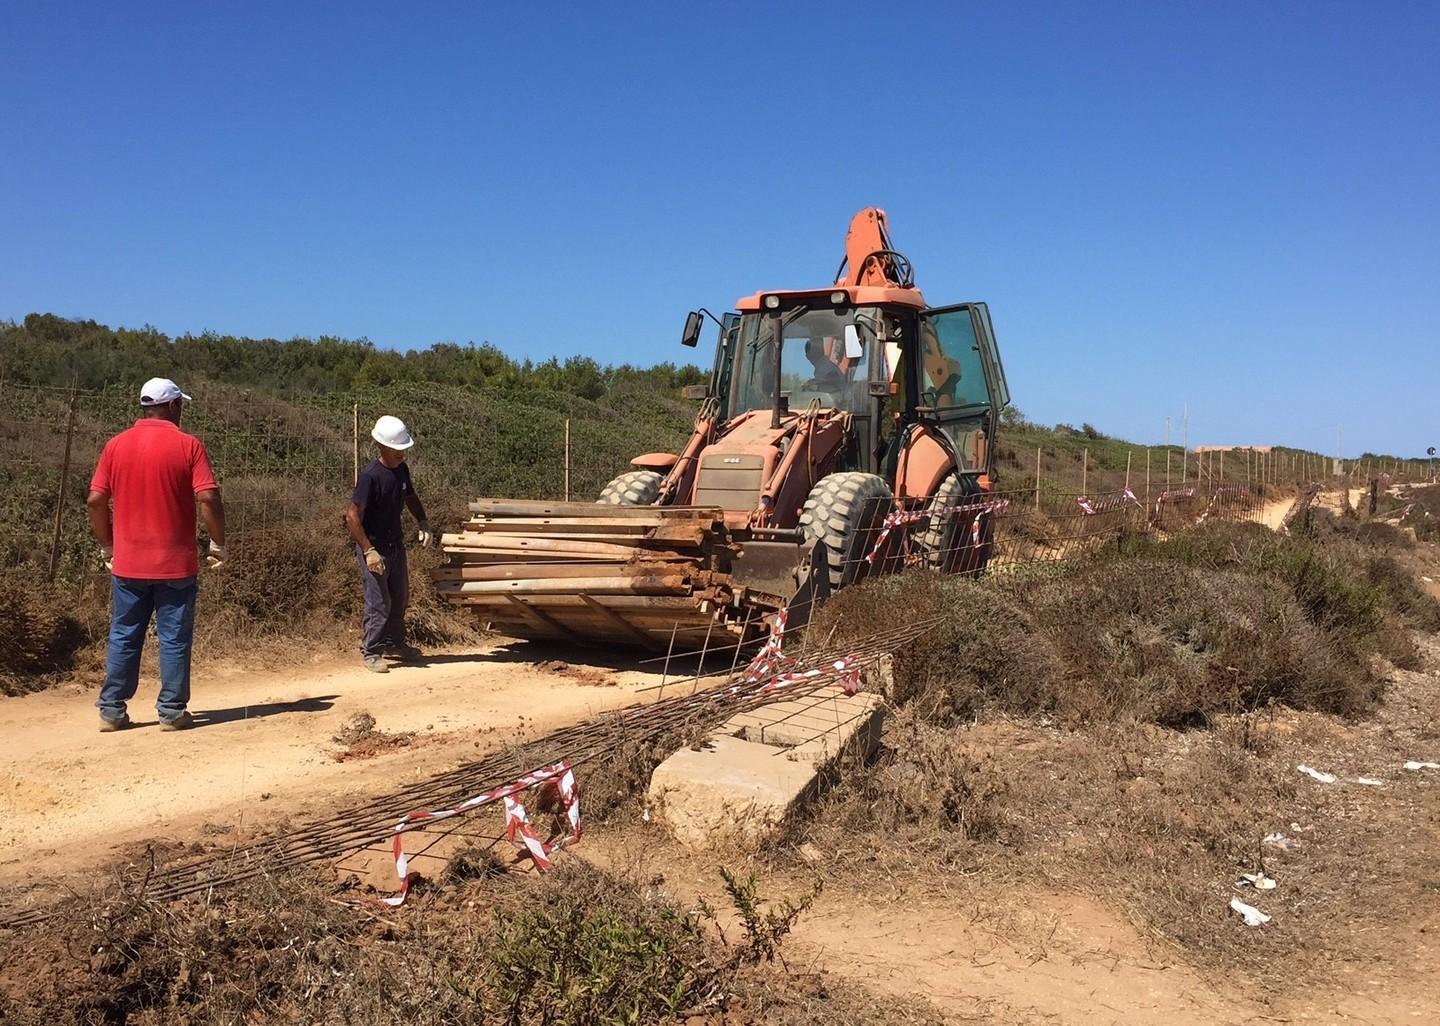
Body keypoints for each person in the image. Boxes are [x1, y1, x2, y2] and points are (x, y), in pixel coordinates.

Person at [87, 377, 227, 732]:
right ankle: (171, 711)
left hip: (128, 562)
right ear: (174, 406)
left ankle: (111, 711)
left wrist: (108, 544)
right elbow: (208, 497)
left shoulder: (115, 445)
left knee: (123, 633)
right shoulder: (188, 445)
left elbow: (95, 500)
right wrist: (217, 542)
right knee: (174, 637)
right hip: (175, 564)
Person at [344, 415, 434, 673]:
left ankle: (395, 644)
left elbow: (410, 497)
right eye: (397, 449)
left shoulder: (402, 471)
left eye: (404, 449)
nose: (402, 454)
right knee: (379, 602)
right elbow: (351, 515)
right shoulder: (370, 476)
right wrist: (368, 550)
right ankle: (372, 651)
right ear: (381, 446)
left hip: (396, 546)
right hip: (374, 548)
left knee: (400, 596)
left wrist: (423, 522)